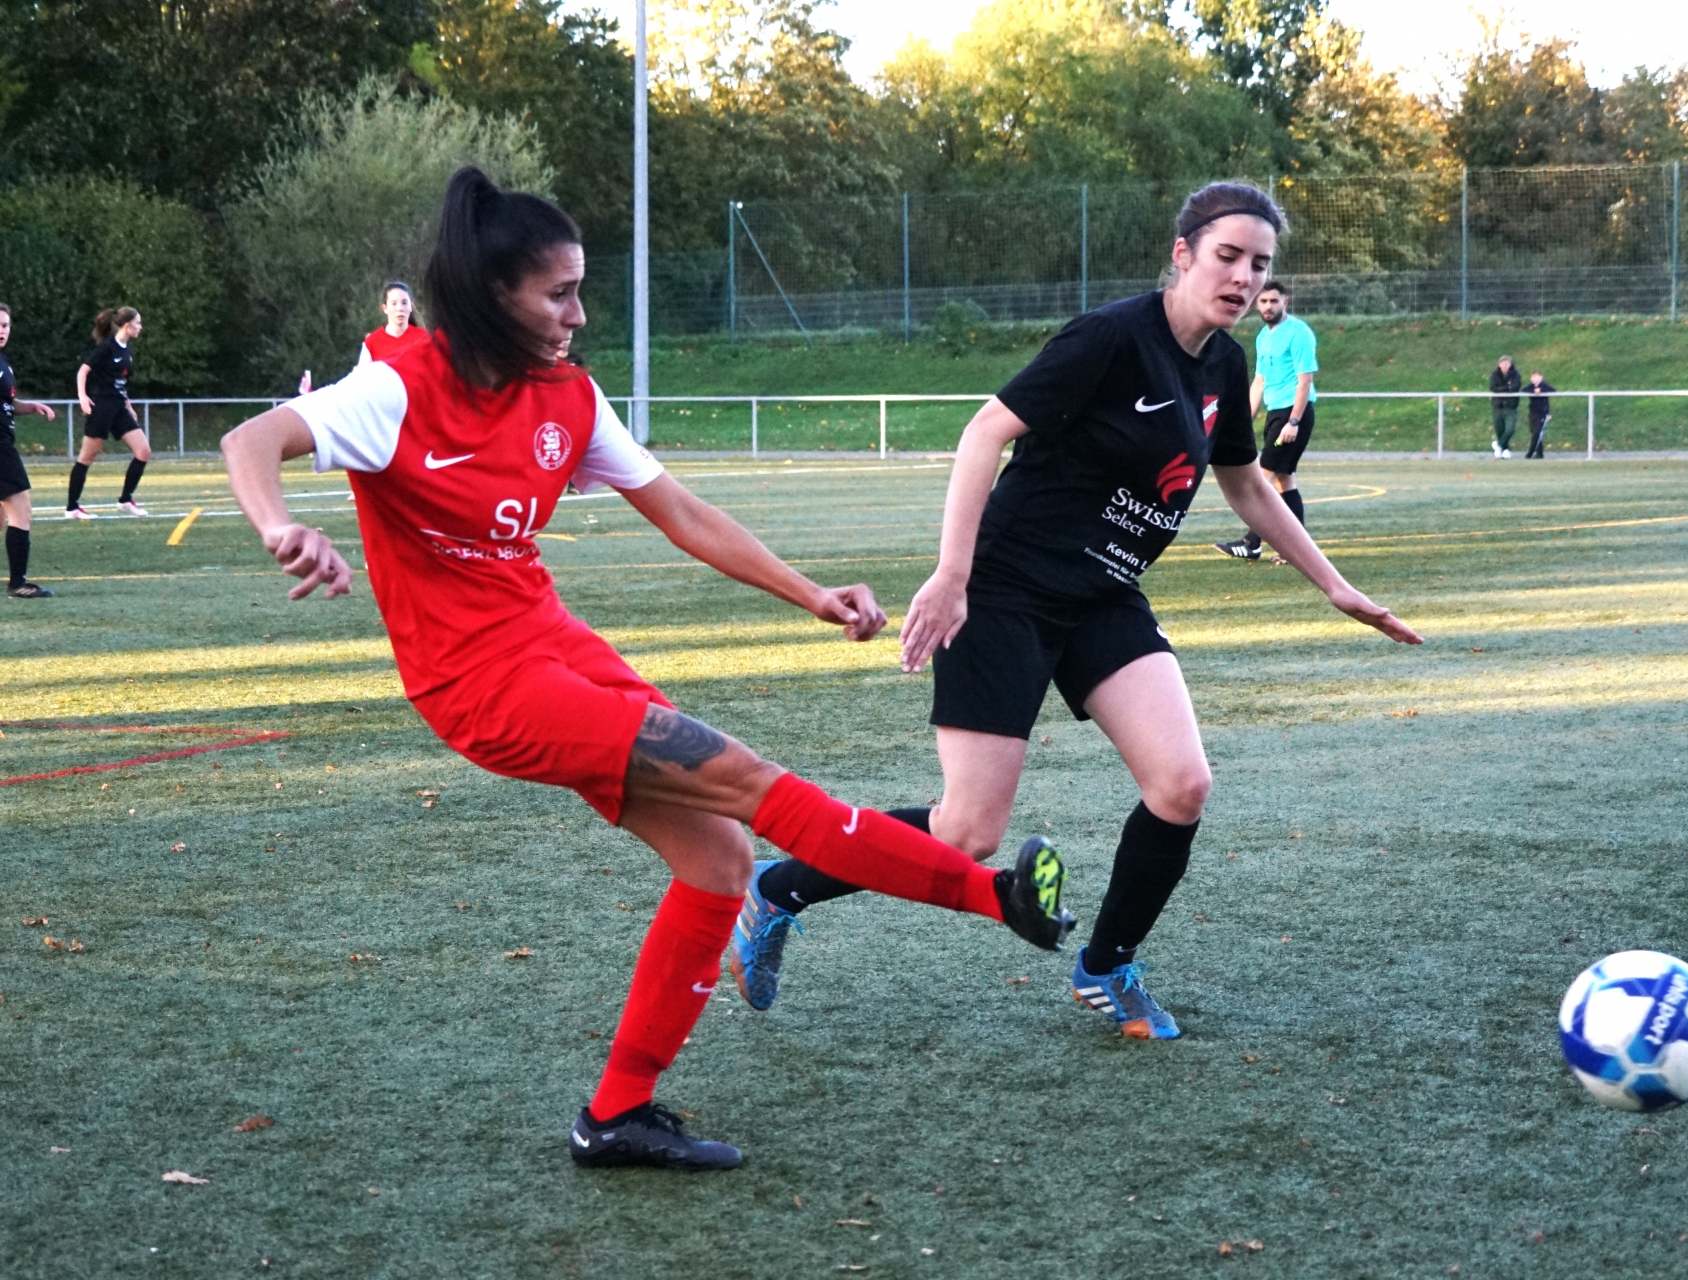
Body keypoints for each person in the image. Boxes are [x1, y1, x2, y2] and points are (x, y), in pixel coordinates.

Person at [219, 168, 1074, 1173]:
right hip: (479, 686)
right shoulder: (401, 386)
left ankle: (616, 1114)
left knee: (718, 858)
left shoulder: (569, 398)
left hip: (556, 647)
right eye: (559, 294)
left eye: (580, 290)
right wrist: (281, 526)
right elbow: (253, 439)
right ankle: (995, 897)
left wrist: (810, 593)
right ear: (495, 294)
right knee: (751, 782)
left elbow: (682, 512)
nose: (579, 314)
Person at [729, 182, 1421, 1040]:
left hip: (1105, 595)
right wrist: (952, 575)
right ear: (1182, 255)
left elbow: (1244, 483)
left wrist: (1335, 586)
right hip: (1008, 590)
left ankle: (1105, 966)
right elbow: (984, 432)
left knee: (1182, 785)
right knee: (967, 832)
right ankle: (777, 889)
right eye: (1228, 257)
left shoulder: (1222, 364)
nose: (1244, 278)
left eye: (1260, 264)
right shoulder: (1110, 338)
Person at [1214, 280, 1317, 562]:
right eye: (1263, 302)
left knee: (1261, 480)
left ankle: (1252, 542)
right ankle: (1297, 551)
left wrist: (1293, 422)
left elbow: (1305, 381)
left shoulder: (1299, 333)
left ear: (1285, 302)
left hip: (1293, 414)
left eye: (1273, 301)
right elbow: (1259, 382)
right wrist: (1242, 421)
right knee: (1285, 481)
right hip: (1275, 413)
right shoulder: (1263, 336)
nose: (1268, 307)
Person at [0, 303, 60, 598]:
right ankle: (18, 584)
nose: (1, 330)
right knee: (21, 508)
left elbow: (7, 403)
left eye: (5, 325)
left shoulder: (3, 362)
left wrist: (31, 406)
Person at [66, 307, 148, 519]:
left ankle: (125, 501)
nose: (140, 327)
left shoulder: (127, 350)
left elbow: (120, 383)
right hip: (101, 406)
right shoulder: (106, 347)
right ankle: (72, 508)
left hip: (119, 407)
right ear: (127, 325)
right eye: (138, 323)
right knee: (87, 456)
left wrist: (128, 406)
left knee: (143, 451)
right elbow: (83, 371)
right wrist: (83, 397)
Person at [356, 280, 431, 367]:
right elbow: (362, 373)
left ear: (411, 306)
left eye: (404, 303)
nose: (399, 308)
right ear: (385, 308)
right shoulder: (371, 342)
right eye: (394, 303)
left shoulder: (426, 338)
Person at [1489, 356, 1521, 458]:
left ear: (1510, 364)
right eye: (1503, 364)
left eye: (1507, 364)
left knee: (1510, 429)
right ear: (1499, 365)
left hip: (1510, 406)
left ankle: (1498, 445)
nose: (1505, 366)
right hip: (1497, 406)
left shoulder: (1515, 375)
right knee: (1499, 430)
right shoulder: (1494, 374)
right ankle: (1505, 450)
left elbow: (1515, 387)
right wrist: (1504, 389)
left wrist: (1503, 390)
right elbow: (1493, 387)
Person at [1524, 370, 1555, 459]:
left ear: (1541, 377)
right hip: (1532, 412)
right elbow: (1524, 390)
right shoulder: (1531, 386)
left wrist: (1541, 391)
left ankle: (1530, 453)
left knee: (1537, 432)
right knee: (1533, 431)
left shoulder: (1544, 385)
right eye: (1533, 377)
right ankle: (1539, 453)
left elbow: (1553, 390)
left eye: (1536, 377)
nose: (1534, 379)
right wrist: (1533, 391)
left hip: (1542, 413)